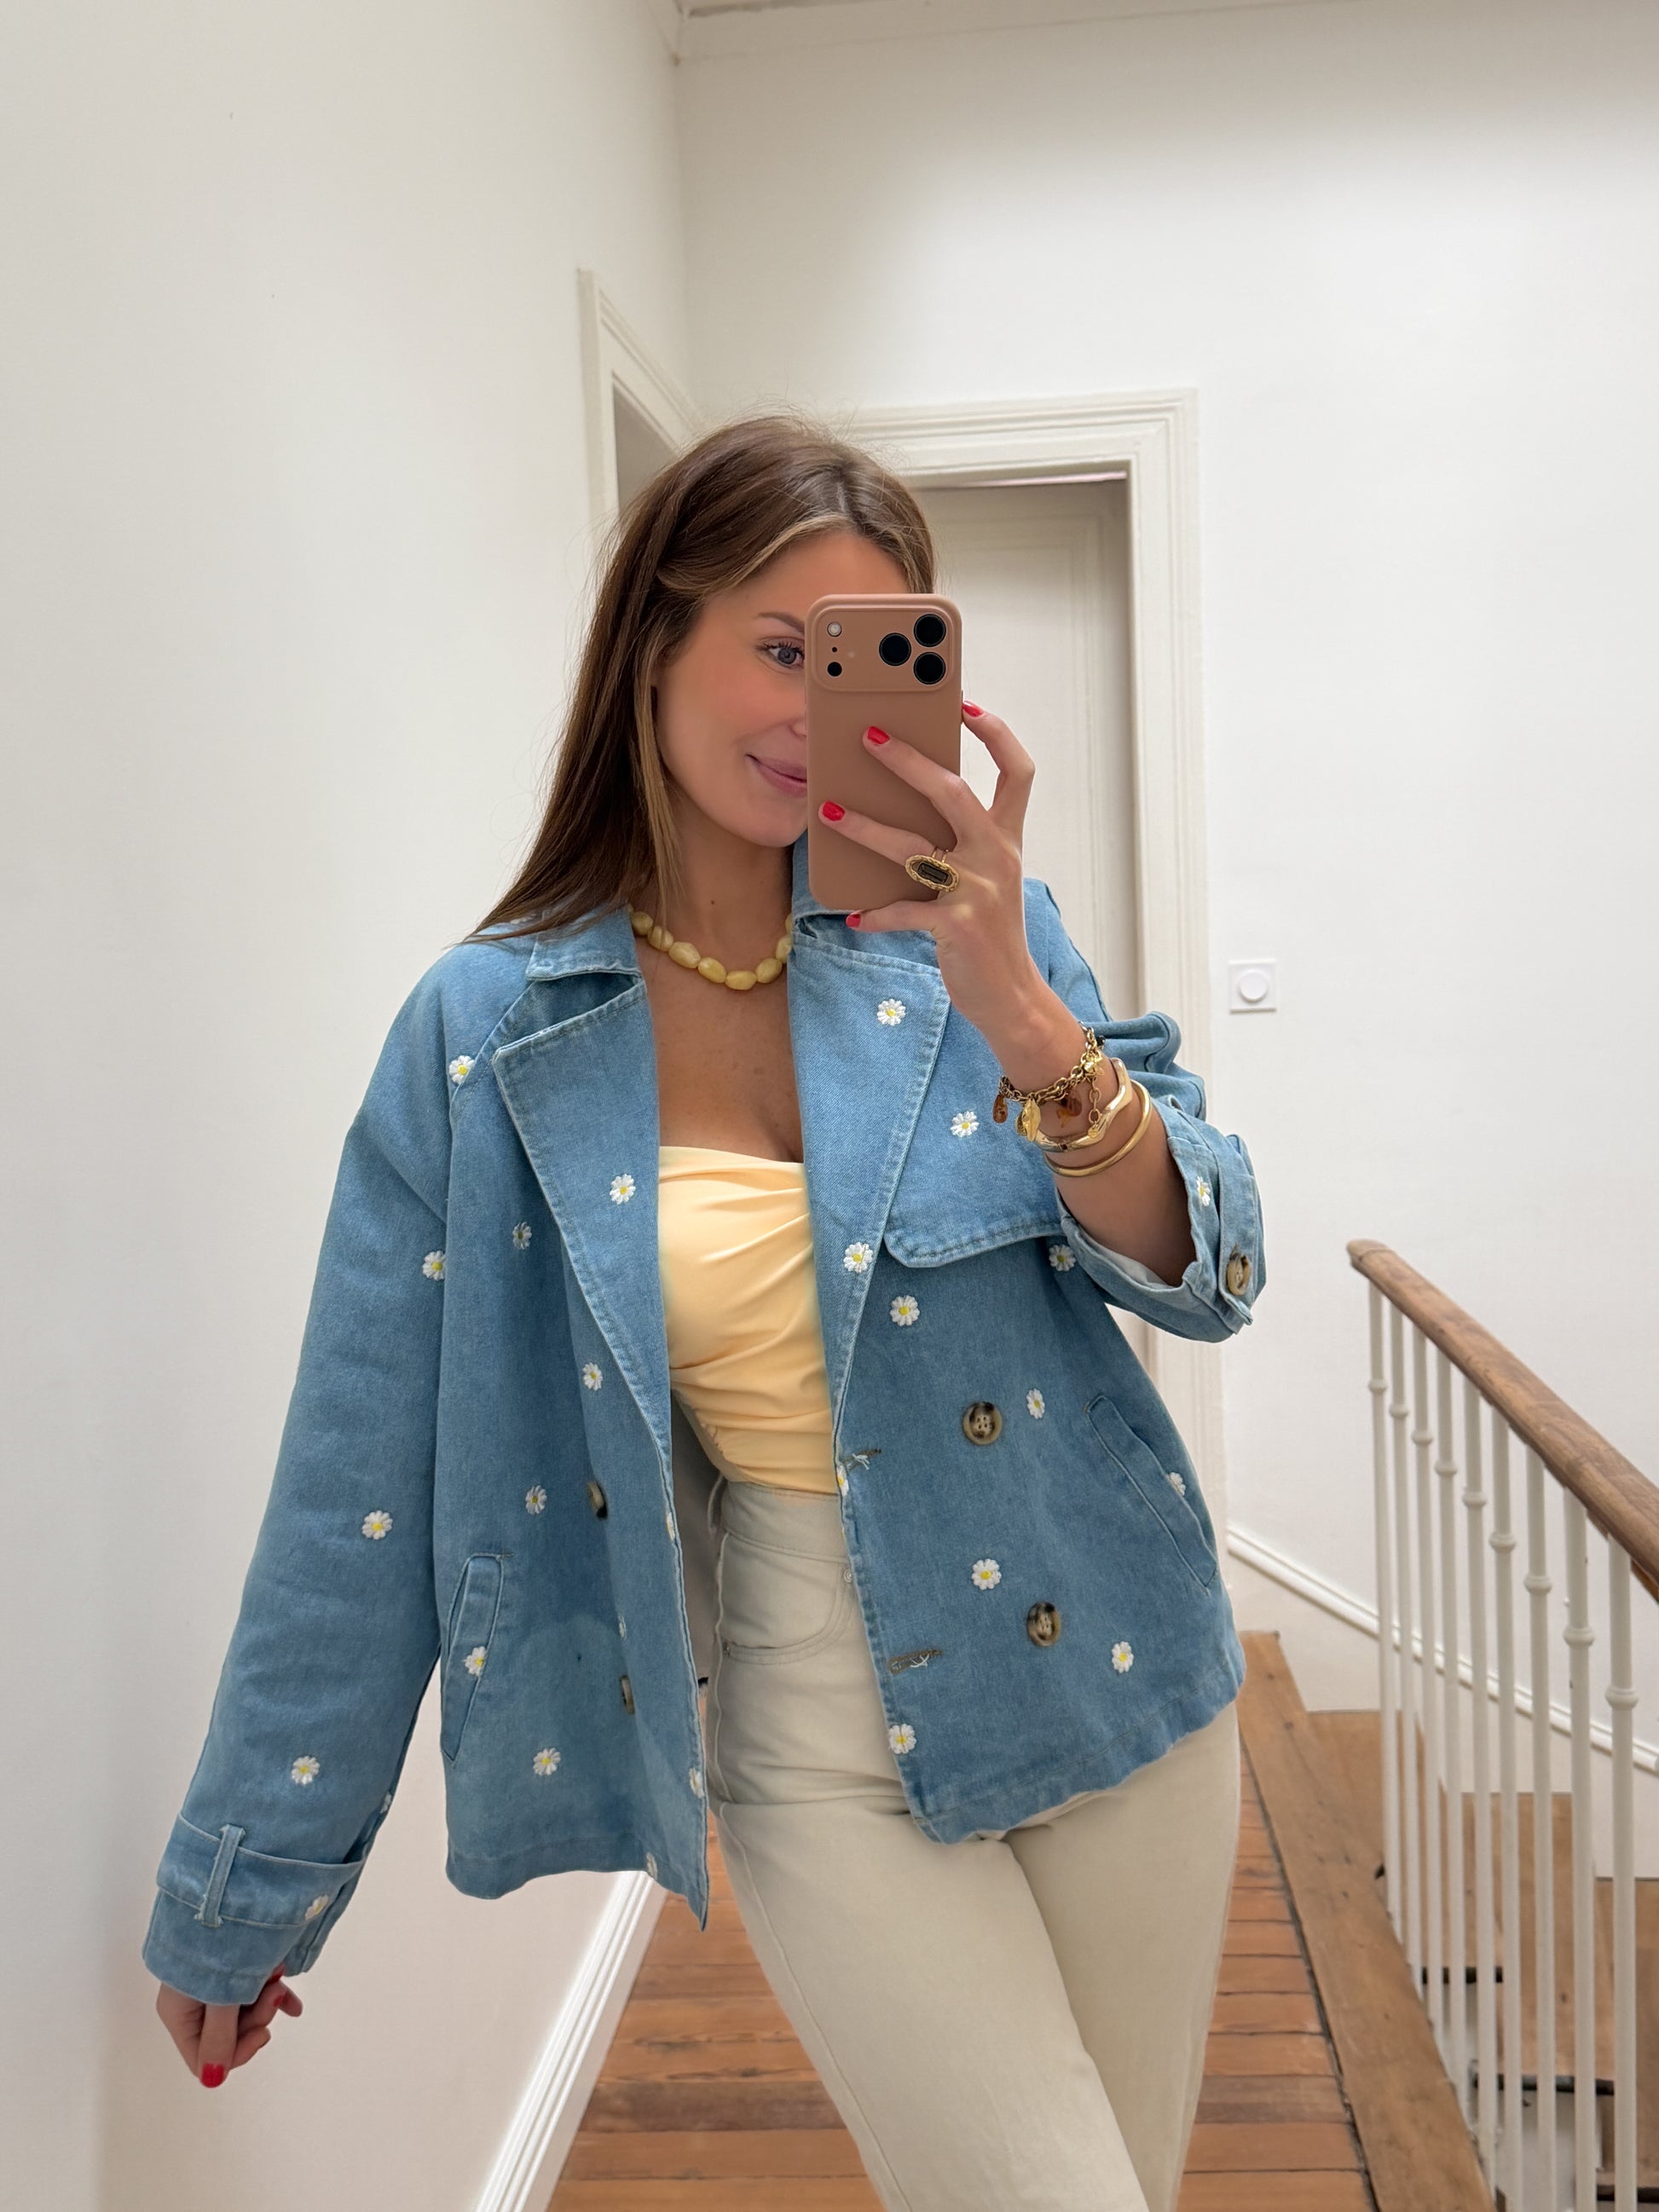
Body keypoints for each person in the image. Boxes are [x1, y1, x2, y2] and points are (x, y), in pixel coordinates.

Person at [145, 413, 1263, 2212]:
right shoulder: (490, 1032)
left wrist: (1020, 1010)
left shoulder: (981, 937)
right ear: (652, 641)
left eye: (863, 660)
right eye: (778, 646)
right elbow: (360, 1474)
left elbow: (1208, 1269)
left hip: (1126, 1662)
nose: (812, 707)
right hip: (830, 1718)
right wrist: (249, 1875)